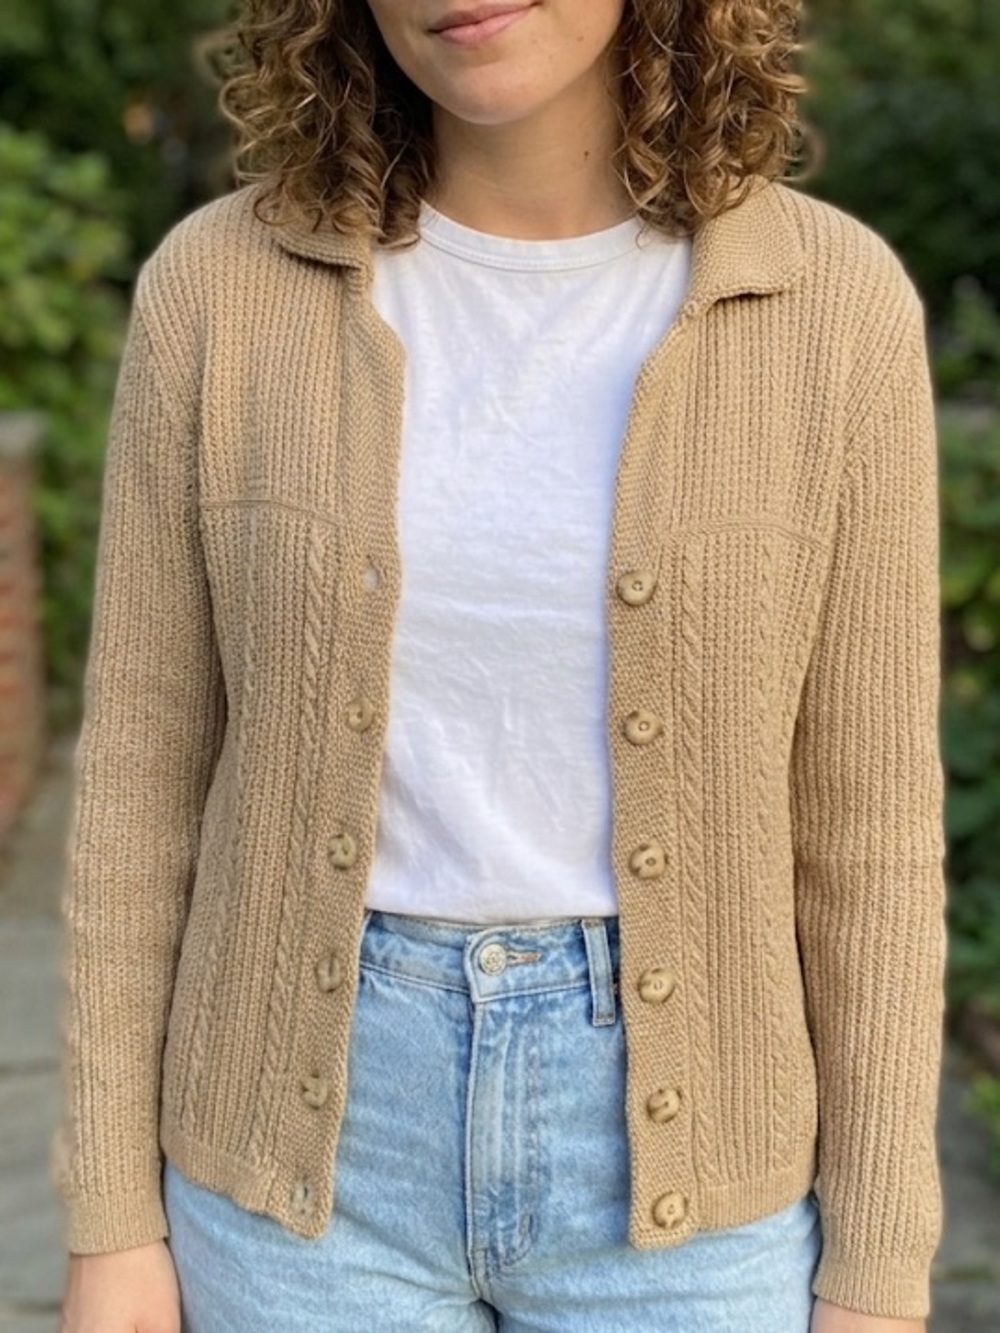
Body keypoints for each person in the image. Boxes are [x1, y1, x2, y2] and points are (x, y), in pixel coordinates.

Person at [55, 1, 948, 1330]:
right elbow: (140, 780)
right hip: (295, 1173)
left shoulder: (832, 303)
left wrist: (877, 1267)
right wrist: (108, 1219)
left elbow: (868, 838)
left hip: (692, 1193)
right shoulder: (221, 286)